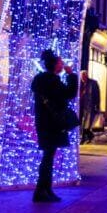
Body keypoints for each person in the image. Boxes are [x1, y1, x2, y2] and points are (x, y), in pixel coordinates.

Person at [31, 49, 78, 203]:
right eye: (60, 63)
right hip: (52, 123)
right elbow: (70, 93)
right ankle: (41, 191)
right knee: (48, 157)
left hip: (44, 122)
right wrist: (71, 75)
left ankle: (45, 189)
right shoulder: (52, 81)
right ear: (54, 65)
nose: (62, 64)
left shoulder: (40, 80)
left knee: (48, 156)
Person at [79, 68, 101, 144]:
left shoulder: (93, 83)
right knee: (82, 122)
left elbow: (97, 95)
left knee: (86, 123)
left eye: (84, 76)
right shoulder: (79, 84)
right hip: (81, 106)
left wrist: (97, 105)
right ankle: (90, 135)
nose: (83, 78)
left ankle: (83, 139)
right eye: (81, 76)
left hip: (90, 106)